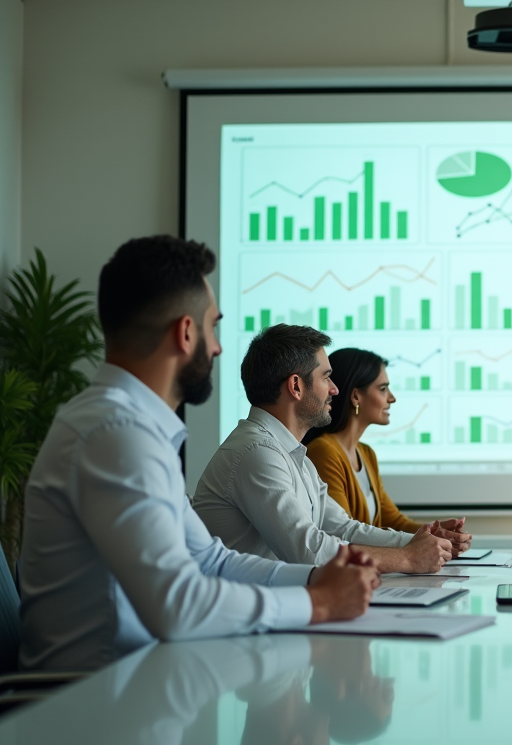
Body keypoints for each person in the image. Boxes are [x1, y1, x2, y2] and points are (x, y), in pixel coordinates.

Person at [19, 236, 378, 672]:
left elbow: (209, 559)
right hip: (97, 705)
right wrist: (316, 602)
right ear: (186, 332)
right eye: (213, 327)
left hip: (139, 683)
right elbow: (177, 606)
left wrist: (314, 577)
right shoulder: (115, 433)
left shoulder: (131, 426)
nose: (218, 346)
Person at [194, 326, 467, 574]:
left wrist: (425, 543)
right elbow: (307, 550)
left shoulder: (293, 455)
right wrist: (407, 558)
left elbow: (344, 527)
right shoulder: (256, 452)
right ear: (296, 386)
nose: (335, 390)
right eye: (326, 378)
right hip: (244, 617)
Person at [303, 348, 471, 548]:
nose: (392, 398)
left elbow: (395, 522)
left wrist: (436, 533)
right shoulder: (324, 452)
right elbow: (345, 533)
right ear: (356, 396)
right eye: (383, 389)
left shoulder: (366, 454)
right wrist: (426, 541)